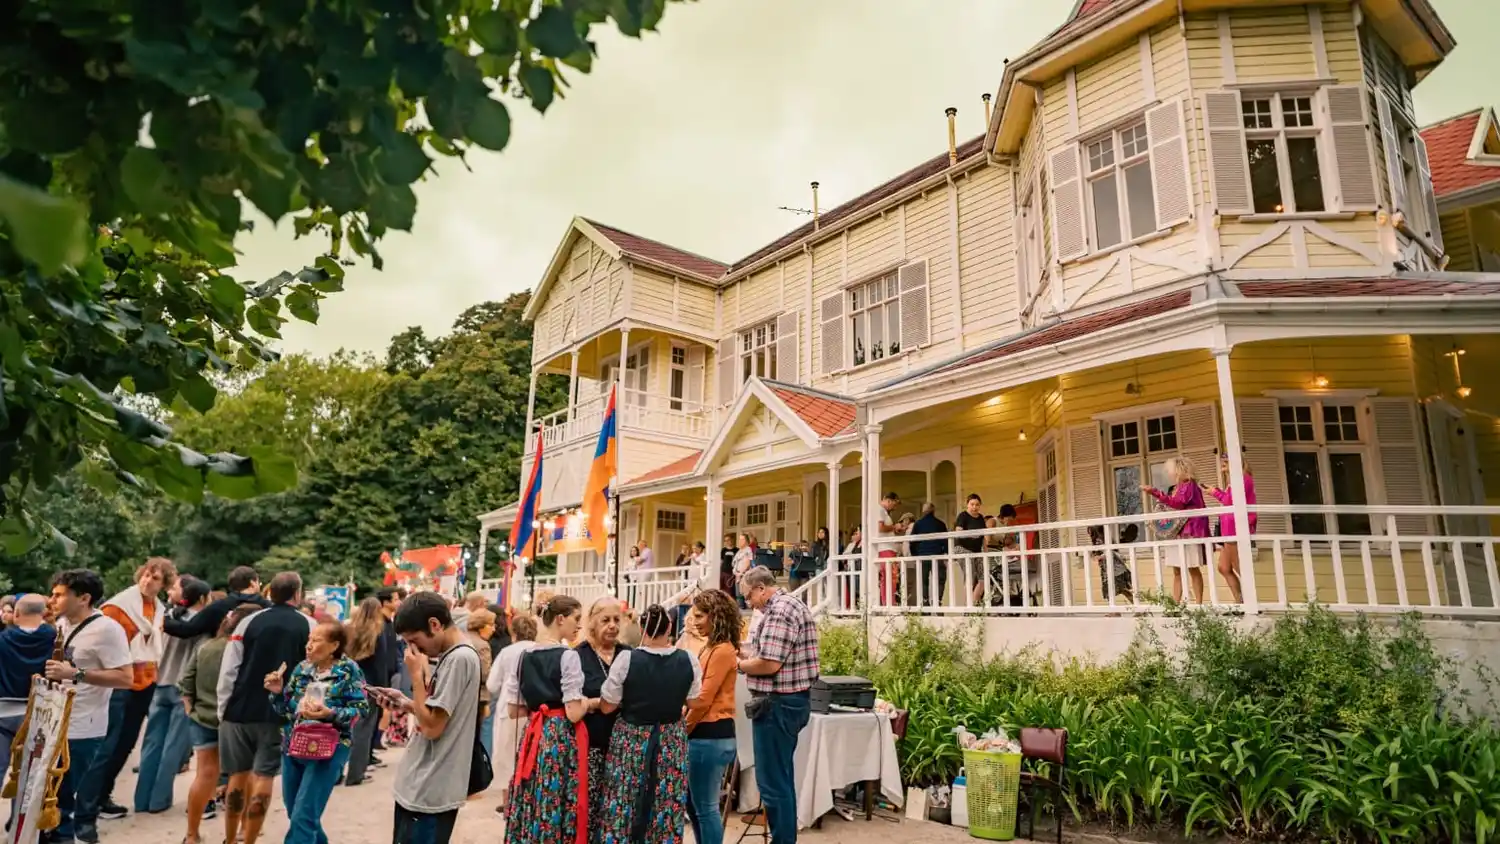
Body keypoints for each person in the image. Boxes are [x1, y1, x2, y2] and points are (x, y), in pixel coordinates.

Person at [217, 572, 319, 844]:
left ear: (270, 592)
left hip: (239, 709)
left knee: (237, 776)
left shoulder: (248, 622)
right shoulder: (309, 625)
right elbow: (314, 672)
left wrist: (223, 708)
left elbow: (229, 669)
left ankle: (230, 839)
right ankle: (250, 839)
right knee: (264, 776)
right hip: (278, 713)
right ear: (297, 594)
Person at [76, 558, 175, 827]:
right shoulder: (118, 607)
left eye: (155, 578)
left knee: (125, 745)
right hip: (119, 682)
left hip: (144, 681)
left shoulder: (158, 609)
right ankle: (85, 809)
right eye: (145, 575)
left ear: (164, 584)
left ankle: (101, 796)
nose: (147, 581)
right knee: (106, 747)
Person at [595, 605, 699, 844]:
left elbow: (607, 706)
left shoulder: (627, 659)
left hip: (632, 739)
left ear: (642, 628)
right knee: (665, 799)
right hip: (670, 740)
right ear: (670, 627)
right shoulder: (688, 660)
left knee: (624, 798)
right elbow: (693, 700)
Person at [43, 570, 134, 844]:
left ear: (83, 598)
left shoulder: (107, 629)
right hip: (53, 722)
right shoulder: (61, 623)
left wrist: (76, 674)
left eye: (59, 595)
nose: (52, 600)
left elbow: (125, 678)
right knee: (48, 799)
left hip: (83, 727)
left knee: (65, 803)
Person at [266, 619, 370, 844]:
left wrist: (330, 714)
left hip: (329, 748)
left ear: (334, 646)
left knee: (303, 817)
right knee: (296, 812)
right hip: (294, 746)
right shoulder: (302, 668)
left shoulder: (348, 670)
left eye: (316, 640)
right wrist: (277, 693)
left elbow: (361, 709)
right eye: (309, 640)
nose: (309, 645)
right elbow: (286, 709)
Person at [737, 566, 819, 844]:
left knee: (772, 783)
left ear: (761, 588)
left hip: (778, 704)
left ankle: (783, 840)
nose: (749, 603)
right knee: (781, 779)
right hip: (787, 702)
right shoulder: (787, 606)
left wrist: (739, 665)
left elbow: (769, 664)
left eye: (748, 596)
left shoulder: (780, 611)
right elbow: (771, 654)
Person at [392, 592, 482, 844]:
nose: (414, 649)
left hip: (431, 787)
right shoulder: (453, 655)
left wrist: (416, 676)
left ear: (434, 625)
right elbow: (436, 714)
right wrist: (408, 703)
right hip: (424, 785)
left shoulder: (459, 658)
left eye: (415, 641)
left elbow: (432, 727)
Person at [500, 595, 587, 844]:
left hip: (533, 732)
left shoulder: (523, 656)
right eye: (576, 618)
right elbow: (573, 712)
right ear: (560, 619)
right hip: (558, 733)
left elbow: (514, 710)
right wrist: (588, 703)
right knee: (554, 792)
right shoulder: (568, 656)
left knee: (532, 791)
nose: (579, 625)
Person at [180, 602, 261, 844]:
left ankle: (192, 834)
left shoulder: (205, 646)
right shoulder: (249, 651)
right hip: (237, 721)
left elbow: (186, 682)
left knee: (204, 775)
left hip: (203, 718)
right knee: (244, 775)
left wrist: (191, 710)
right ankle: (243, 830)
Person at [135, 575, 211, 815]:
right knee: (173, 747)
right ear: (203, 598)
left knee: (151, 743)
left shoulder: (168, 619)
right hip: (183, 690)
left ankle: (141, 799)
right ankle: (159, 800)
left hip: (161, 683)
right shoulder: (203, 625)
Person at [684, 590, 741, 844]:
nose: (694, 622)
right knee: (695, 805)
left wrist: (683, 728)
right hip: (705, 735)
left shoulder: (722, 651)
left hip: (711, 735)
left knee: (705, 807)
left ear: (715, 616)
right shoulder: (711, 648)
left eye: (700, 616)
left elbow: (703, 699)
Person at [573, 597, 629, 840]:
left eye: (616, 619)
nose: (612, 625)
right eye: (606, 620)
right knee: (590, 807)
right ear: (592, 622)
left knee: (619, 809)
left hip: (624, 746)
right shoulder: (578, 655)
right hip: (591, 745)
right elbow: (573, 700)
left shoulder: (629, 654)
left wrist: (595, 704)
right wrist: (601, 703)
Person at [0, 594, 55, 802]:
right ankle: (18, 821)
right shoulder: (55, 639)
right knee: (29, 776)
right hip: (39, 714)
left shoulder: (3, 639)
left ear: (16, 613)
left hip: (3, 712)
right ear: (43, 613)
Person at [486, 613, 537, 812]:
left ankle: (508, 801)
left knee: (506, 756)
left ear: (513, 632)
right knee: (530, 753)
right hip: (533, 709)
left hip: (508, 708)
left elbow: (492, 684)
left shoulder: (506, 652)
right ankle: (527, 799)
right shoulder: (539, 649)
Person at [1143, 456, 1211, 605]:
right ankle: (1175, 604)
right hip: (1176, 532)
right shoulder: (1177, 487)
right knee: (1177, 570)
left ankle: (1199, 604)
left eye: (1171, 470)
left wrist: (1155, 492)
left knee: (1192, 568)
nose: (1169, 473)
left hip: (1189, 532)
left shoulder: (1189, 485)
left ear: (1179, 470)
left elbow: (1178, 503)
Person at [344, 596, 392, 787]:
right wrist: (384, 689)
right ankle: (356, 773)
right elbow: (381, 664)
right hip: (370, 685)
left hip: (350, 682)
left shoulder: (350, 630)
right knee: (363, 729)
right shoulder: (378, 632)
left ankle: (337, 772)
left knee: (344, 728)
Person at [1207, 451, 1256, 604]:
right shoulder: (1235, 480)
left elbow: (1230, 501)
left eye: (1226, 461)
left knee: (1239, 567)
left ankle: (1251, 603)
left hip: (1236, 528)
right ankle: (1240, 602)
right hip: (1228, 528)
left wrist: (1215, 493)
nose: (1223, 463)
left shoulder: (1243, 479)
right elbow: (1229, 499)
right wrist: (1217, 492)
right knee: (1224, 567)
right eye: (1223, 460)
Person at [465, 608, 497, 757]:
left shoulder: (464, 639)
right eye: (491, 625)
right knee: (475, 734)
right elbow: (484, 674)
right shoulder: (483, 645)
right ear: (482, 626)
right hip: (479, 696)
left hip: (465, 694)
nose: (494, 629)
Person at [909, 503, 948, 606]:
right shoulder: (940, 524)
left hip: (923, 555)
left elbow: (912, 541)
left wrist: (915, 555)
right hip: (937, 555)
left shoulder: (918, 524)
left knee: (923, 580)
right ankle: (938, 601)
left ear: (923, 511)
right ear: (933, 510)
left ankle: (925, 601)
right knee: (940, 579)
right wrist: (946, 553)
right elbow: (945, 541)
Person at [875, 492, 902, 605]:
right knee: (890, 576)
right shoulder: (880, 510)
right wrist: (894, 527)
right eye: (894, 504)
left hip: (888, 548)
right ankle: (890, 602)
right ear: (888, 500)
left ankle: (888, 602)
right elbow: (880, 528)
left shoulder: (884, 512)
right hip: (886, 548)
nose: (894, 507)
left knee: (888, 577)